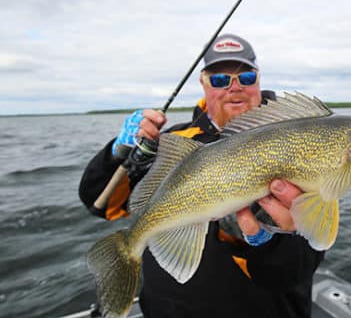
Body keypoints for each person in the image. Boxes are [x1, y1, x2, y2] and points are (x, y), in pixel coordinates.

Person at [79, 33, 324, 318]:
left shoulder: (298, 144)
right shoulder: (172, 143)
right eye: (220, 79)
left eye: (246, 77)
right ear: (203, 83)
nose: (235, 87)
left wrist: (269, 241)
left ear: (258, 80)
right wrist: (117, 153)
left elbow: (293, 272)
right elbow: (102, 205)